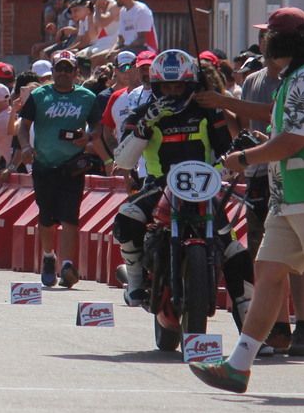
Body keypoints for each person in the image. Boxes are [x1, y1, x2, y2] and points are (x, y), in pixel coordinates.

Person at [191, 8, 304, 392]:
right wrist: (262, 147)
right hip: (286, 198)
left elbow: (293, 141)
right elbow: (284, 138)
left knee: (271, 274)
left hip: (302, 195)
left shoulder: (303, 79)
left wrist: (247, 158)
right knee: (269, 274)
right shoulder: (290, 78)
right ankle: (239, 366)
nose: (264, 40)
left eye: (270, 33)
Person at [111, 49, 250, 314]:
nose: (173, 91)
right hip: (159, 185)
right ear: (156, 85)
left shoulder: (210, 111)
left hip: (205, 186)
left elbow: (227, 151)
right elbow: (125, 161)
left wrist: (222, 170)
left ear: (191, 84)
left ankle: (248, 316)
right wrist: (145, 126)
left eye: (179, 85)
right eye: (167, 85)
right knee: (126, 218)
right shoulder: (141, 112)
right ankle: (136, 280)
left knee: (235, 250)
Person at [14, 49, 102, 289]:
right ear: (53, 72)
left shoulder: (87, 97)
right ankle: (48, 257)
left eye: (68, 69)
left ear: (76, 72)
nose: (63, 73)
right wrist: (25, 147)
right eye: (59, 69)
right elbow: (23, 127)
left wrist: (88, 138)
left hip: (72, 165)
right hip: (44, 163)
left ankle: (67, 264)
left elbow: (97, 127)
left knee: (70, 215)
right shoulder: (40, 95)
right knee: (47, 217)